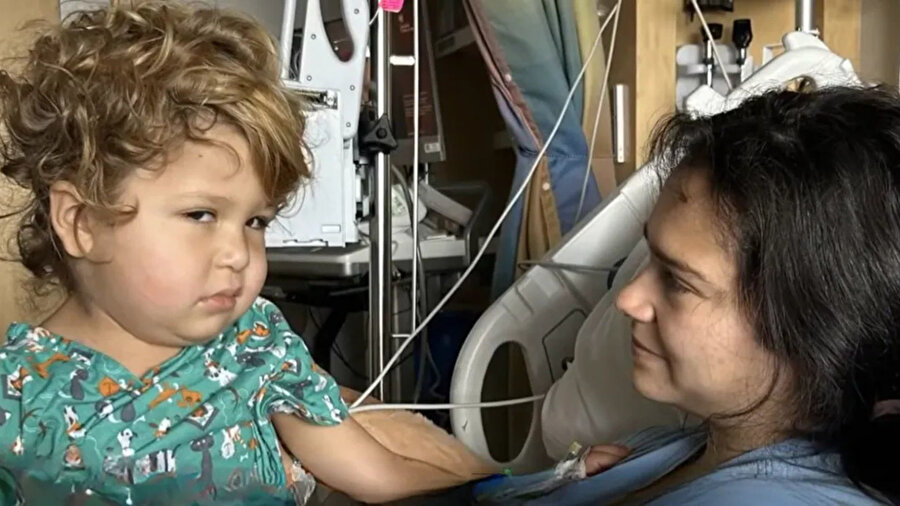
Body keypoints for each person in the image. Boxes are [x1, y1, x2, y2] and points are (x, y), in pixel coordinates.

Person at [0, 1, 476, 504]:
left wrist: (503, 478)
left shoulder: (253, 343)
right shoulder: (15, 395)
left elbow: (377, 477)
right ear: (81, 222)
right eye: (200, 215)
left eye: (256, 222)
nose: (238, 254)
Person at [474, 85, 900, 505]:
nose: (628, 299)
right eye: (649, 259)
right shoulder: (683, 446)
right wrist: (560, 481)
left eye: (678, 281)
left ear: (813, 330)